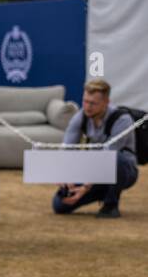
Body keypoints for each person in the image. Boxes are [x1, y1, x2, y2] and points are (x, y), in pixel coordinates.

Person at [52, 78, 138, 218]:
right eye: (85, 101)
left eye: (93, 103)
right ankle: (102, 190)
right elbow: (67, 149)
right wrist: (66, 175)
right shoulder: (80, 116)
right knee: (59, 205)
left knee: (115, 160)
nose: (87, 106)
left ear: (106, 103)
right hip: (94, 169)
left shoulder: (123, 119)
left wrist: (86, 187)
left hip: (123, 170)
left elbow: (107, 157)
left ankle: (111, 205)